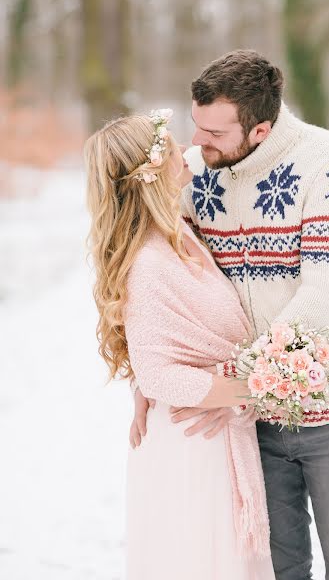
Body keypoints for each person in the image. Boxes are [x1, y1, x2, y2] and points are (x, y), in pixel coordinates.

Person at [131, 50, 329, 580]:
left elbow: (323, 296)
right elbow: (152, 266)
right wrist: (148, 373)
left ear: (260, 128)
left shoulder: (328, 164)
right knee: (276, 568)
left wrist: (233, 379)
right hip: (250, 422)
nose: (197, 144)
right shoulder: (198, 176)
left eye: (214, 133)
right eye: (195, 126)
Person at [84, 110, 276, 580]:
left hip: (211, 434)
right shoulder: (149, 261)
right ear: (151, 175)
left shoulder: (178, 231)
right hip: (194, 446)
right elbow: (160, 374)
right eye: (172, 149)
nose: (187, 153)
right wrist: (254, 389)